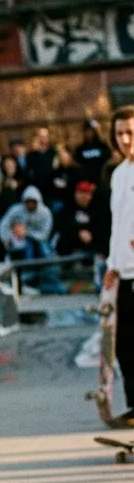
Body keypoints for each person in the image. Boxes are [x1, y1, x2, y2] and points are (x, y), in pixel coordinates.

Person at [104, 107, 134, 422]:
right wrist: (111, 266)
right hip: (124, 270)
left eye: (130, 133)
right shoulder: (119, 173)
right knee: (124, 344)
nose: (125, 140)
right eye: (120, 134)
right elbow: (118, 224)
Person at [57, 179, 110, 257]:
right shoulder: (67, 210)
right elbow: (63, 226)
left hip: (92, 249)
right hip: (71, 248)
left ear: (91, 195)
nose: (83, 196)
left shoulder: (97, 210)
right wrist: (78, 232)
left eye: (86, 193)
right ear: (75, 194)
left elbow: (101, 228)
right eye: (80, 193)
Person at [75, 118, 112, 184]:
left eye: (92, 131)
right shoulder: (80, 148)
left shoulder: (103, 146)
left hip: (101, 181)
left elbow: (107, 161)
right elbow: (78, 163)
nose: (89, 133)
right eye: (87, 131)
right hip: (86, 183)